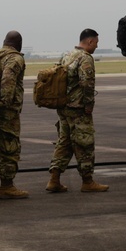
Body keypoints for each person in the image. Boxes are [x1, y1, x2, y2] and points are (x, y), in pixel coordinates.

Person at [46, 29, 109, 193]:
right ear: (89, 42)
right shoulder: (85, 58)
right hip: (78, 108)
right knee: (85, 143)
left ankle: (54, 179)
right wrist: (89, 104)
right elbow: (87, 83)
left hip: (64, 108)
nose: (96, 47)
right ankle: (87, 181)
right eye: (95, 43)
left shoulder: (67, 55)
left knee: (64, 142)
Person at [0, 31, 29, 199]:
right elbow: (8, 80)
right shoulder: (15, 58)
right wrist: (4, 102)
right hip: (5, 112)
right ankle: (7, 186)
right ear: (19, 44)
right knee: (10, 148)